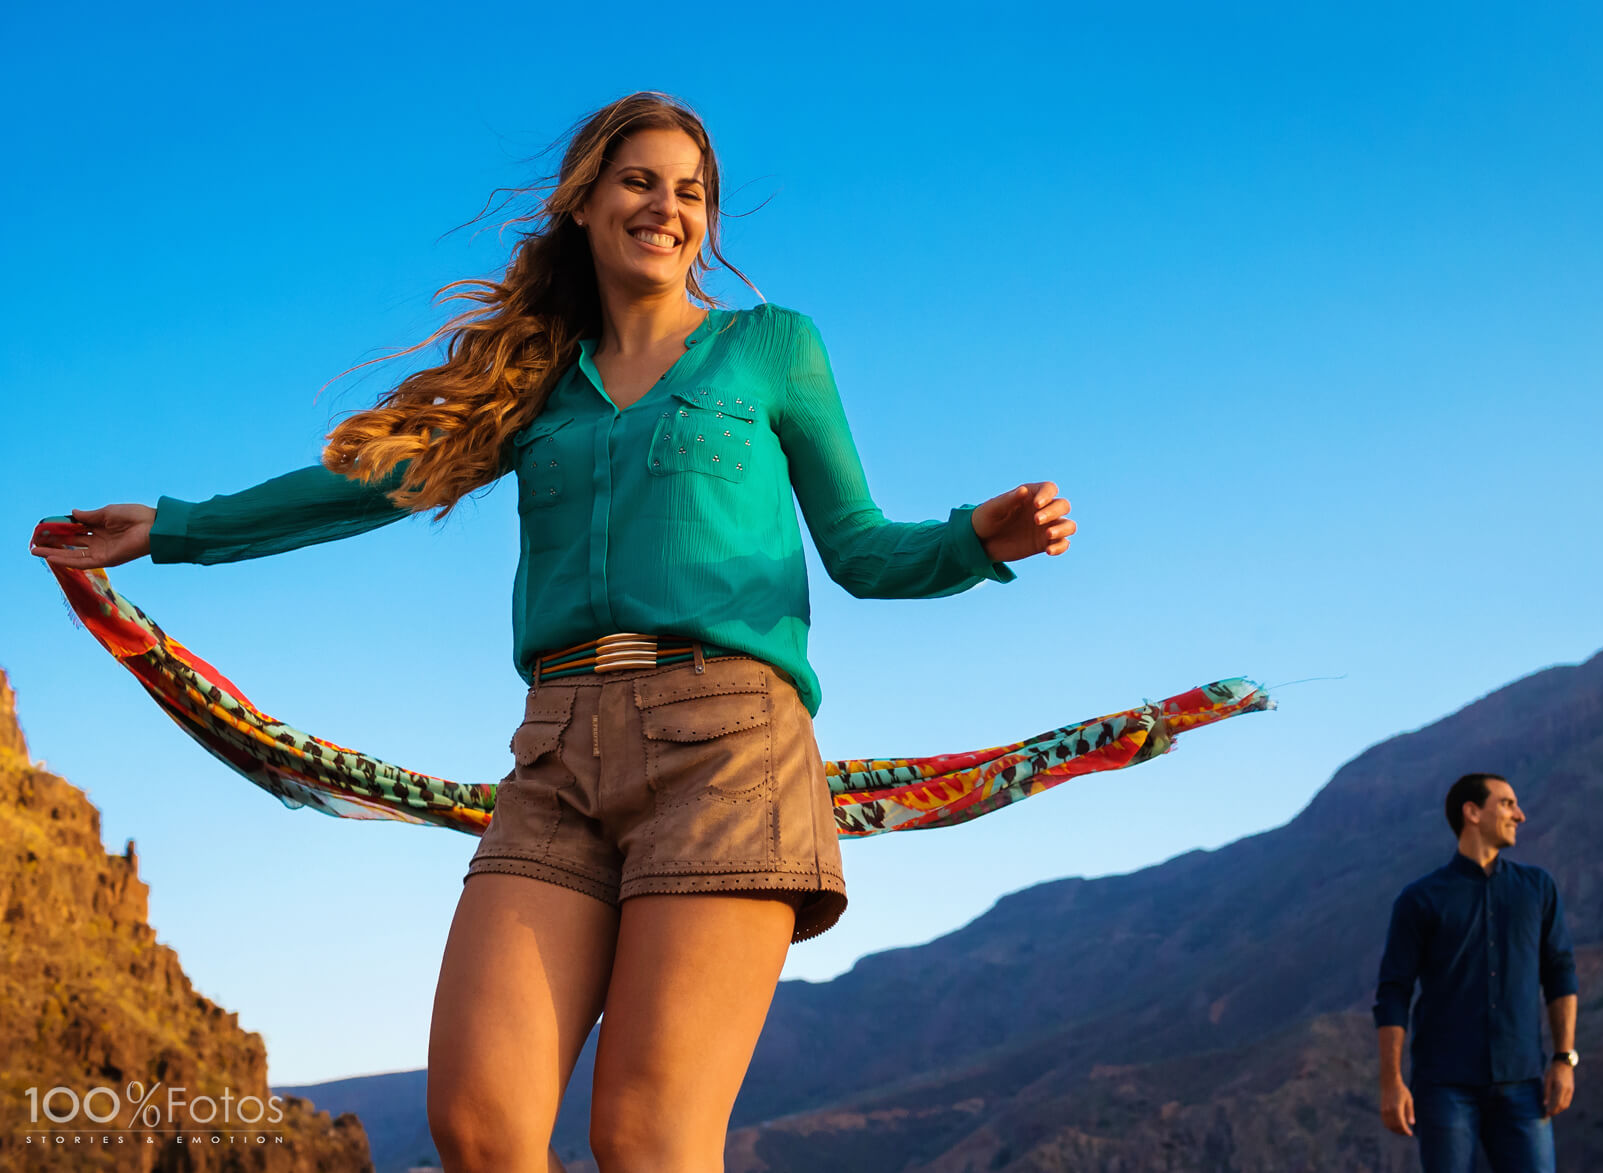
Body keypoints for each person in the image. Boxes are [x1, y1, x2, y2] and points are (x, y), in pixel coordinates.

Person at [29, 92, 1076, 1173]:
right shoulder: (532, 385)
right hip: (556, 751)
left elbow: (859, 550)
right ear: (582, 202)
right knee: (479, 1128)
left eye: (690, 192)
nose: (665, 207)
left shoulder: (769, 349)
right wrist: (175, 528)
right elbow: (366, 484)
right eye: (638, 181)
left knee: (648, 1139)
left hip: (729, 750)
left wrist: (976, 540)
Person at [1372, 772, 1580, 1173]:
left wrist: (1563, 1059)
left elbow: (1560, 972)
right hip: (1444, 1087)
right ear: (1472, 812)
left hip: (1523, 1082)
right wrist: (1391, 1082)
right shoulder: (1420, 899)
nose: (1519, 815)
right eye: (1506, 804)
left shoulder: (1537, 889)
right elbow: (1393, 992)